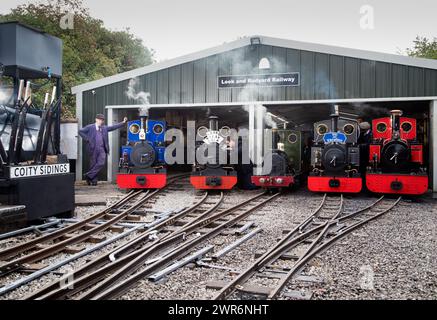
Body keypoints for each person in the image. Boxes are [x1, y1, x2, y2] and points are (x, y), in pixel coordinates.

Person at [79, 114, 127, 186]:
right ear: (96, 119)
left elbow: (113, 127)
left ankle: (88, 175)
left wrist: (123, 122)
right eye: (100, 119)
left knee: (101, 163)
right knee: (93, 164)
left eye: (102, 120)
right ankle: (93, 180)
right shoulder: (90, 127)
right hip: (93, 148)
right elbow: (80, 131)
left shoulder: (104, 128)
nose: (101, 121)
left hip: (102, 149)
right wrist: (87, 139)